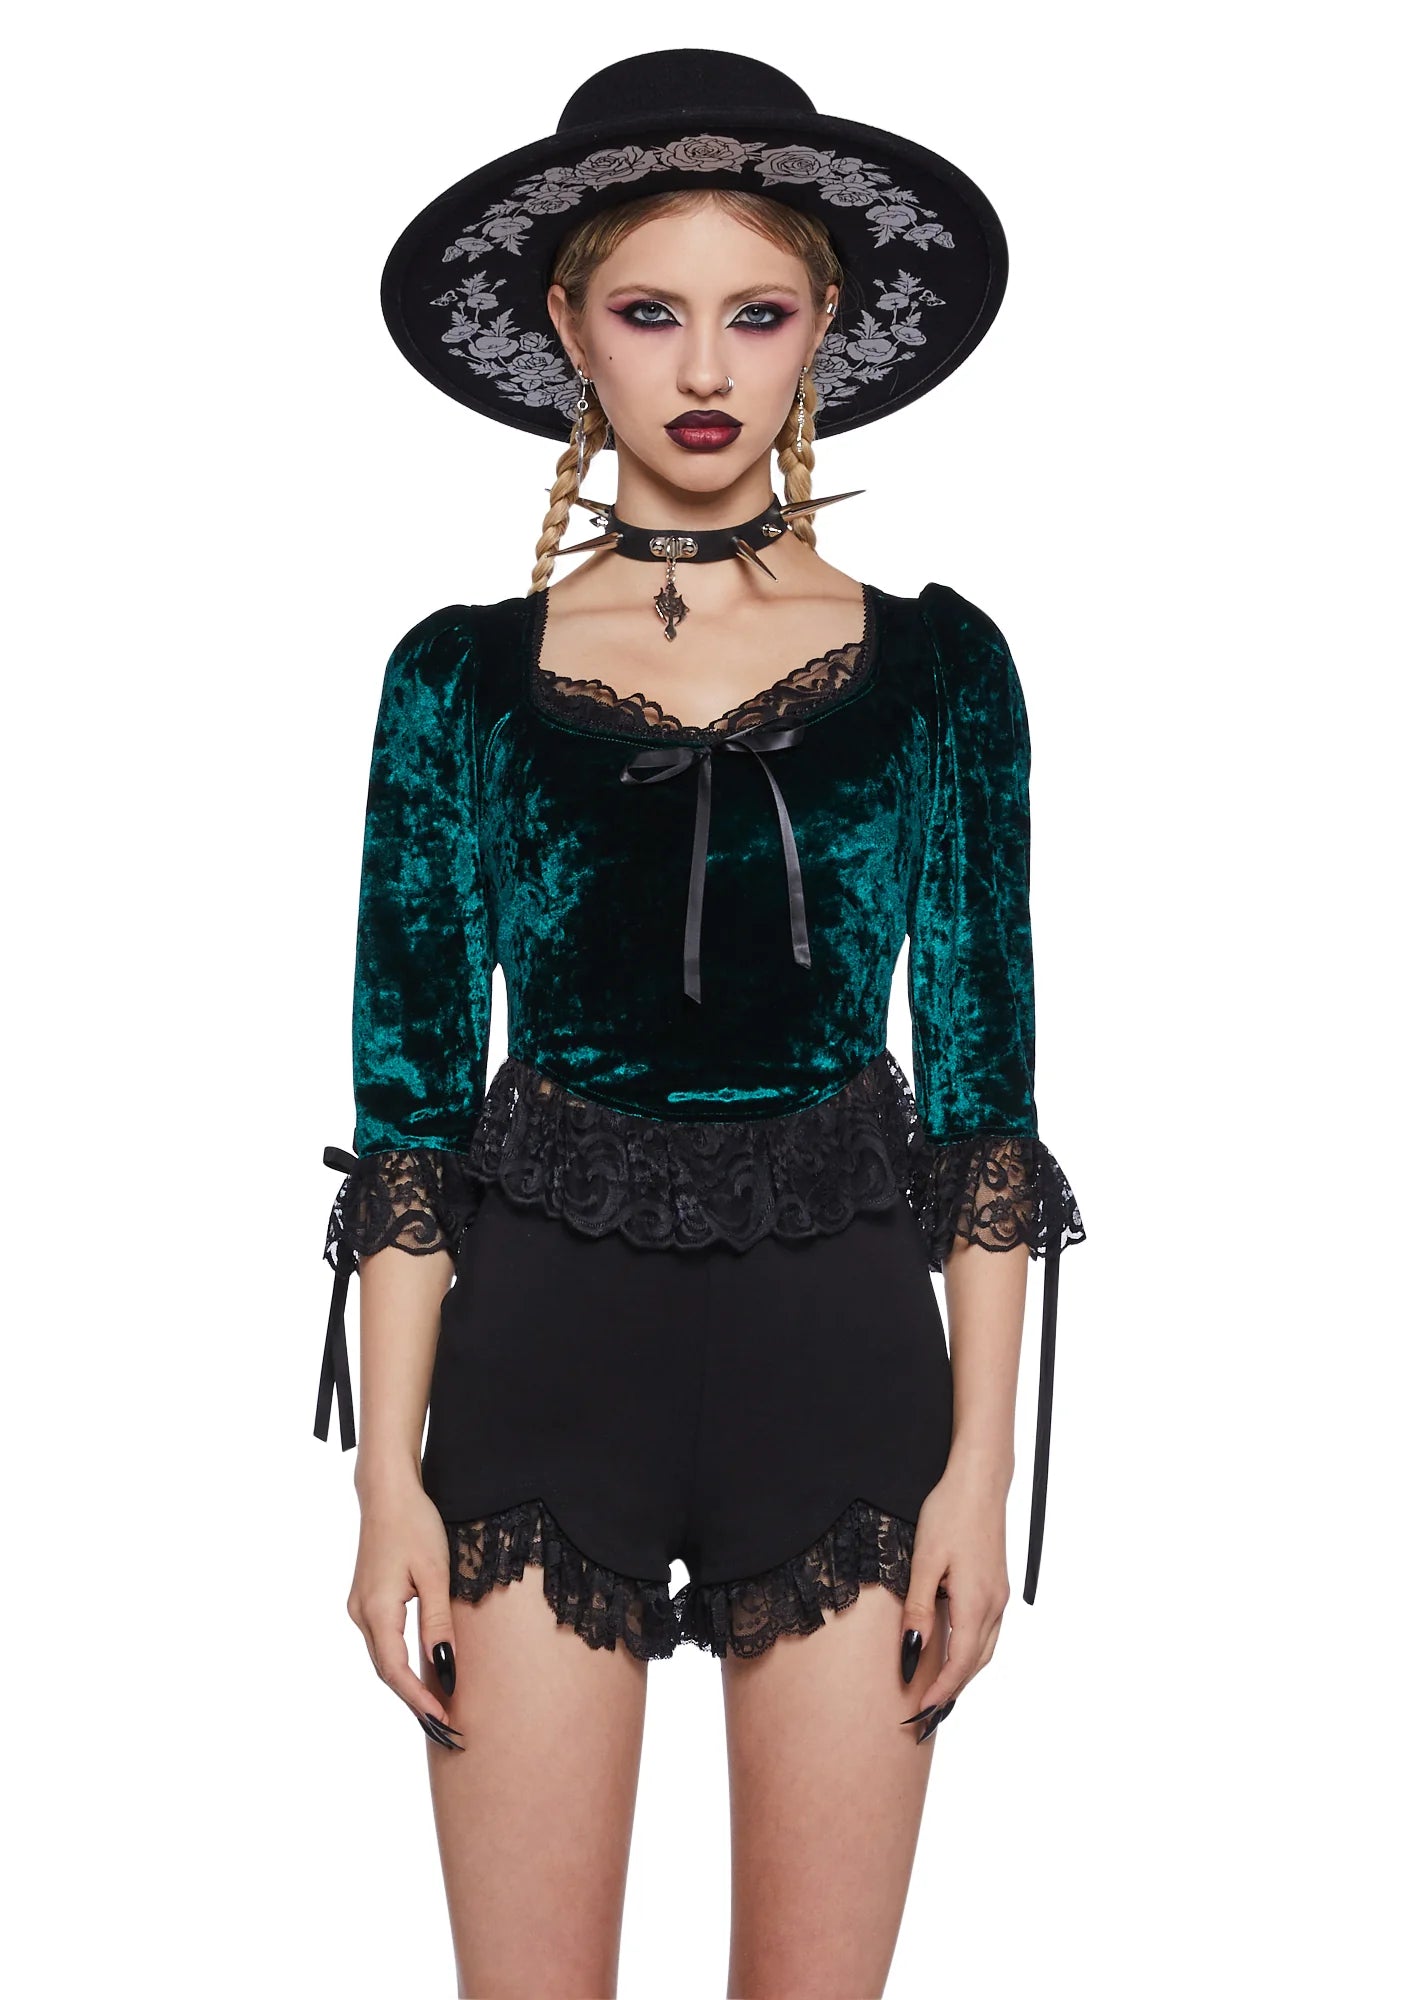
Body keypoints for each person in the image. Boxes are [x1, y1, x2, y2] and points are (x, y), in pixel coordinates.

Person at [314, 47, 1085, 1999]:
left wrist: (979, 1477)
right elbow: (407, 1109)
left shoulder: (940, 671)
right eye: (651, 313)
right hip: (537, 1354)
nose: (705, 368)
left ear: (825, 326)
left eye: (756, 311)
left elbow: (985, 1101)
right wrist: (384, 1479)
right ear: (568, 329)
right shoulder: (455, 682)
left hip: (842, 1354)